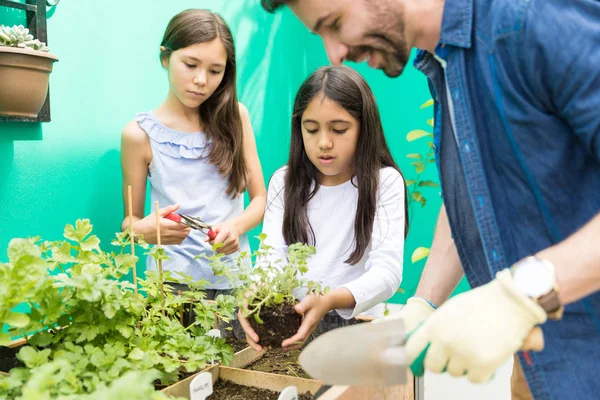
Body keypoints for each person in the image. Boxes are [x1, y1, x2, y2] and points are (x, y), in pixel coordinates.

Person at [260, 0, 600, 399]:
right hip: (541, 358)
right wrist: (424, 304)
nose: (334, 53)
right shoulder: (445, 66)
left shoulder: (528, 20)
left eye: (334, 24)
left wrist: (524, 292)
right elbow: (478, 195)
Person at [239, 65, 409, 352]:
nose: (324, 142)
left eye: (339, 129)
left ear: (363, 128)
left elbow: (388, 273)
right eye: (312, 129)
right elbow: (270, 260)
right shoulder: (284, 181)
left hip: (360, 332)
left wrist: (329, 300)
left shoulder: (384, 182)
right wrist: (255, 295)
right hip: (292, 332)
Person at [120, 9, 266, 301]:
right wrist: (143, 230)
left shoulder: (236, 118)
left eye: (215, 71)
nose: (201, 80)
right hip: (169, 288)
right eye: (190, 64)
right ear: (165, 57)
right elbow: (130, 222)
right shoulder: (139, 135)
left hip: (233, 283)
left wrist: (235, 227)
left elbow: (260, 200)